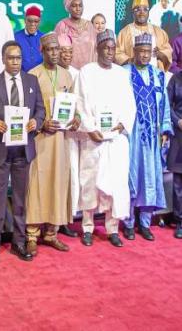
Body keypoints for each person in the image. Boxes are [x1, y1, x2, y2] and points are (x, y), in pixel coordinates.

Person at [0, 40, 45, 263]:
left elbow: (41, 109)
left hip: (23, 150)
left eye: (18, 58)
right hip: (0, 149)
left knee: (20, 200)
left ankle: (19, 243)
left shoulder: (32, 81)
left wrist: (36, 123)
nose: (15, 62)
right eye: (11, 58)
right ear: (3, 59)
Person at [76, 29, 136, 247]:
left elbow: (130, 105)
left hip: (116, 140)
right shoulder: (86, 72)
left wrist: (121, 125)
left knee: (116, 183)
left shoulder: (122, 74)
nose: (110, 52)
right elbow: (80, 103)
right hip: (94, 139)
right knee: (90, 184)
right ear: (97, 48)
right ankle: (88, 227)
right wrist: (90, 129)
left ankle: (112, 229)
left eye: (113, 48)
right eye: (106, 48)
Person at [25, 33, 79, 255]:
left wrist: (76, 120)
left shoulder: (67, 75)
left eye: (57, 49)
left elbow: (74, 107)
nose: (55, 53)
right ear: (42, 51)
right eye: (50, 49)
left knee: (58, 182)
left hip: (62, 141)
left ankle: (52, 233)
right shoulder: (32, 75)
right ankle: (32, 235)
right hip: (40, 140)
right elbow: (26, 110)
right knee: (37, 184)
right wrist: (41, 123)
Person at [123, 33, 172, 241]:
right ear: (134, 52)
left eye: (147, 52)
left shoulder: (158, 75)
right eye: (140, 51)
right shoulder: (123, 73)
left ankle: (144, 223)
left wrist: (164, 130)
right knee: (131, 176)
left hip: (152, 135)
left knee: (150, 177)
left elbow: (165, 106)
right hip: (131, 135)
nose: (144, 55)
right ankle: (127, 223)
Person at [58, 33, 87, 230]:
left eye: (70, 51)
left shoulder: (79, 74)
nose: (67, 55)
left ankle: (70, 216)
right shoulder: (53, 73)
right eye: (63, 52)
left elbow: (83, 102)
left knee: (75, 174)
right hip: (56, 132)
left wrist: (79, 120)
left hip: (76, 133)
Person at [116, 0, 172, 71]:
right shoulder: (124, 33)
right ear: (133, 12)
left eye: (145, 9)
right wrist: (130, 60)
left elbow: (168, 52)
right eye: (137, 9)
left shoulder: (159, 32)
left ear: (149, 12)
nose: (142, 12)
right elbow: (117, 53)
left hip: (155, 76)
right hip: (132, 75)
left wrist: (160, 54)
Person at [54, 0, 96, 70]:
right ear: (68, 8)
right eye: (74, 6)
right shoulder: (62, 25)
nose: (78, 9)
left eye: (80, 5)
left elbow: (95, 51)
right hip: (68, 72)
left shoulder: (89, 25)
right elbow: (56, 51)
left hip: (88, 72)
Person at [166, 71, 182, 238]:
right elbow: (167, 106)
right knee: (178, 182)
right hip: (180, 133)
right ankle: (179, 220)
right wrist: (177, 121)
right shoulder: (175, 80)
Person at [14, 6, 44, 72]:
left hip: (40, 77)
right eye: (29, 21)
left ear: (40, 22)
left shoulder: (44, 38)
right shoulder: (15, 37)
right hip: (21, 77)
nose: (32, 24)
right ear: (25, 20)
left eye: (36, 21)